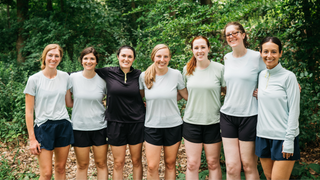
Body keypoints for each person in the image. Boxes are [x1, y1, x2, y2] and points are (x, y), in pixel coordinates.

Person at [220, 22, 265, 180]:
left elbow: (274, 73)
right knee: (232, 167)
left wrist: (266, 91)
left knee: (248, 165)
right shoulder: (226, 58)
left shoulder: (256, 57)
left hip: (250, 115)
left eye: (235, 33)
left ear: (243, 34)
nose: (232, 36)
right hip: (227, 116)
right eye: (228, 34)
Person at [24, 44, 74, 180]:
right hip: (43, 127)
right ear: (44, 57)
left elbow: (69, 103)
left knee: (61, 169)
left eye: (57, 56)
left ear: (60, 58)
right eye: (50, 55)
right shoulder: (34, 80)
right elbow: (29, 112)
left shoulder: (65, 77)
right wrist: (32, 139)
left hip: (63, 125)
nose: (53, 58)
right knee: (46, 174)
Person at [95, 45, 145, 180]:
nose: (126, 59)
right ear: (118, 57)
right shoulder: (108, 72)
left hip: (136, 122)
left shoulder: (140, 75)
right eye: (123, 56)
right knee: (118, 163)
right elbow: (85, 73)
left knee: (136, 161)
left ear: (134, 59)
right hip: (115, 123)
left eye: (130, 56)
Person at [139, 44, 188, 180]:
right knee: (152, 166)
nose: (162, 59)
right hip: (152, 126)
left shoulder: (176, 74)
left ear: (169, 58)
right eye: (159, 56)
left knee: (170, 164)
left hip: (173, 125)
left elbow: (185, 95)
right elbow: (140, 97)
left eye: (165, 56)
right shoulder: (144, 76)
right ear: (153, 57)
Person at [256, 37, 300, 180]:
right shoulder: (261, 75)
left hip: (283, 137)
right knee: (269, 178)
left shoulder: (289, 77)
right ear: (260, 53)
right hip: (263, 136)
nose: (269, 56)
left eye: (274, 52)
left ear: (280, 53)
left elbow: (294, 110)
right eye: (266, 51)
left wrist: (289, 140)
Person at [182, 36, 225, 180]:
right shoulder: (187, 70)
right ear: (192, 50)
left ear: (208, 48)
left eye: (202, 47)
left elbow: (228, 91)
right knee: (193, 164)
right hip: (191, 122)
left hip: (213, 122)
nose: (199, 51)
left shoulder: (219, 69)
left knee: (213, 163)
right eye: (196, 48)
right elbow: (182, 93)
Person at [67, 47, 108, 180]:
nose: (88, 61)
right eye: (86, 58)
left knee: (101, 164)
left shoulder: (103, 80)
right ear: (81, 61)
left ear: (96, 62)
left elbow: (113, 99)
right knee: (82, 165)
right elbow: (69, 102)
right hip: (79, 127)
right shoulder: (73, 78)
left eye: (92, 58)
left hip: (100, 127)